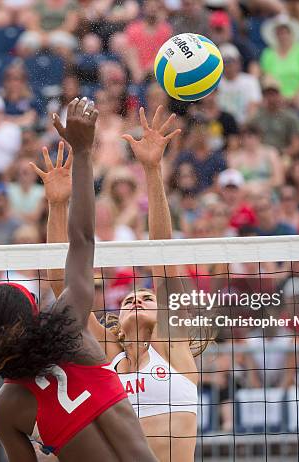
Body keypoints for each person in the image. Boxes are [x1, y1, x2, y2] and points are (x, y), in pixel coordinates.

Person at [0, 98, 157, 461]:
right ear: (29, 316)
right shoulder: (69, 328)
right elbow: (83, 240)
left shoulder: (3, 409)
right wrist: (83, 152)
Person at [40, 106, 204, 462]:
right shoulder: (107, 356)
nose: (136, 299)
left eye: (145, 297)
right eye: (130, 298)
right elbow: (61, 284)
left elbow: (162, 261)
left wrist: (151, 168)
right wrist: (57, 205)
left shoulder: (172, 347)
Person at [260, 14, 299, 106]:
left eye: (285, 32)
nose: (283, 35)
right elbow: (267, 79)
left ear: (291, 33)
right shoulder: (268, 53)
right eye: (279, 32)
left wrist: (295, 96)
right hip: (275, 95)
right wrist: (278, 97)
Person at [216, 44, 262, 126]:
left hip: (245, 125)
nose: (229, 65)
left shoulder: (250, 81)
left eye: (231, 61)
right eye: (225, 61)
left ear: (238, 62)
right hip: (221, 126)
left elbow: (254, 106)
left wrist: (244, 127)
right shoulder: (216, 83)